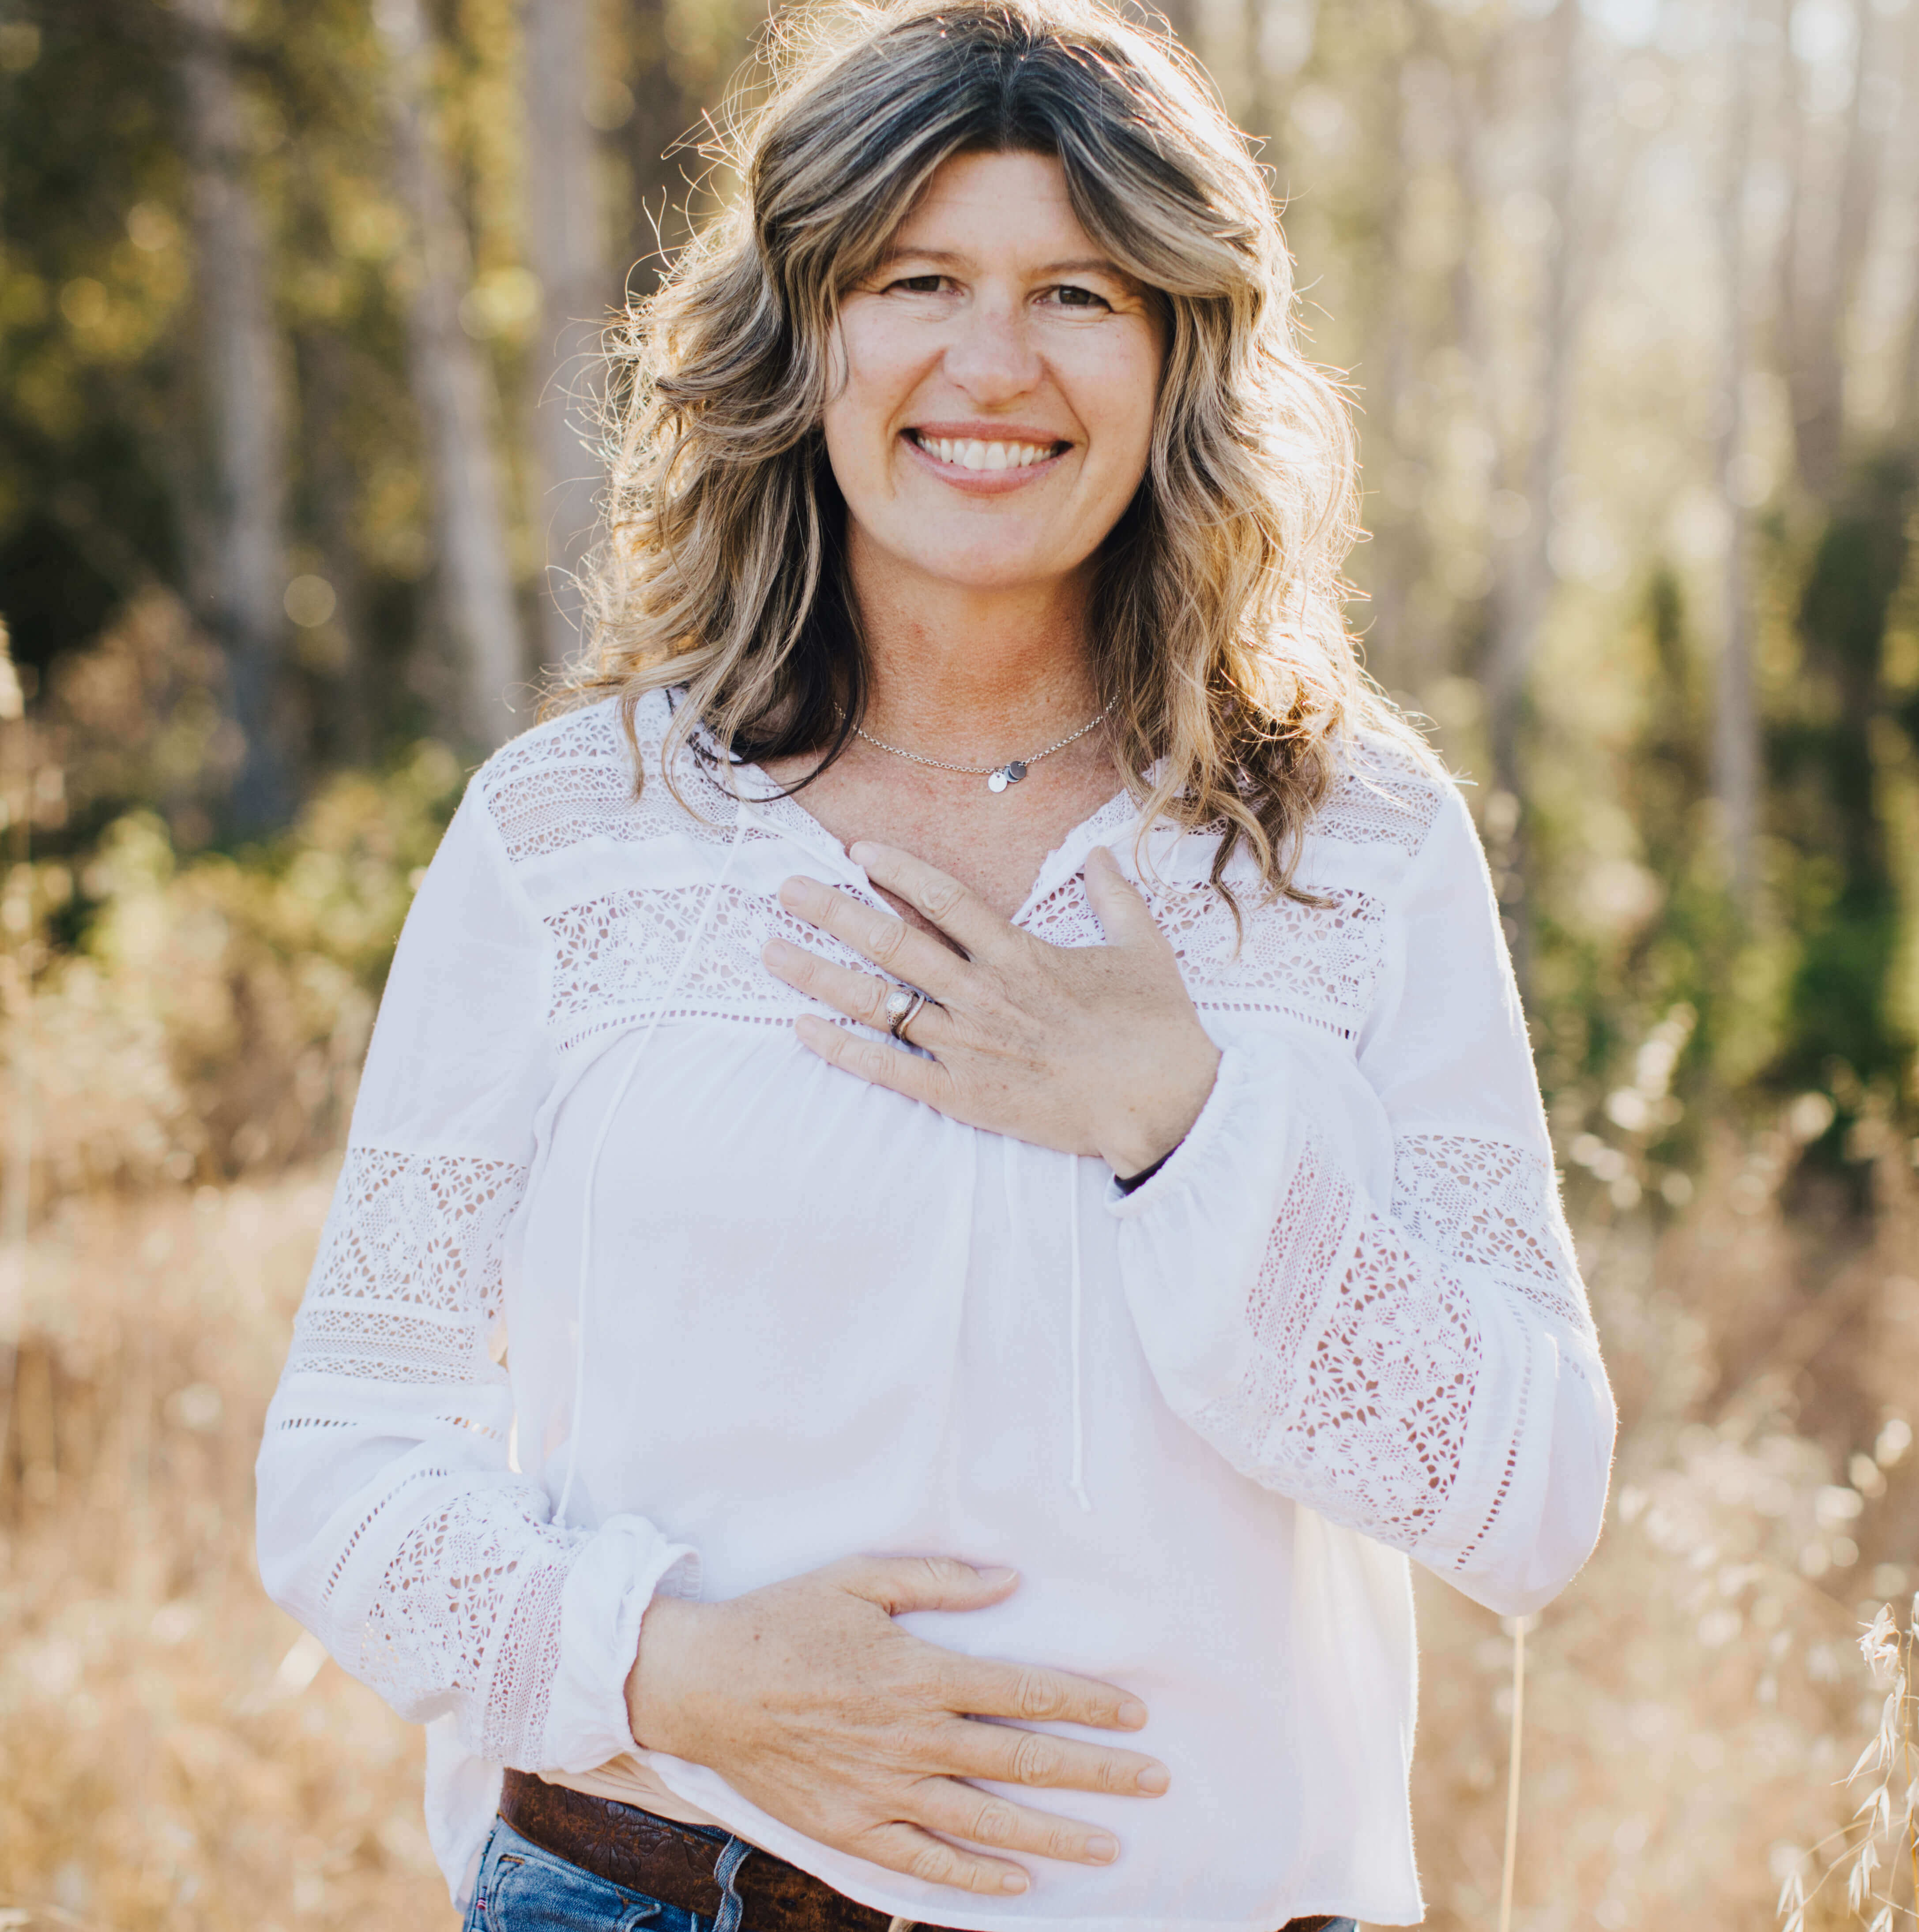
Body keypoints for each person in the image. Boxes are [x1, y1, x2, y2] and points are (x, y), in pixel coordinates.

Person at [255, 1, 1615, 1926]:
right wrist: (667, 1668)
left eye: (1079, 291)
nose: (992, 362)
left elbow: (1533, 1504)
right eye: (916, 279)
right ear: (802, 339)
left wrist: (1182, 1131)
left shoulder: (1350, 847)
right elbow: (340, 1465)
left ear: (1178, 356)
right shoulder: (573, 833)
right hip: (653, 1887)